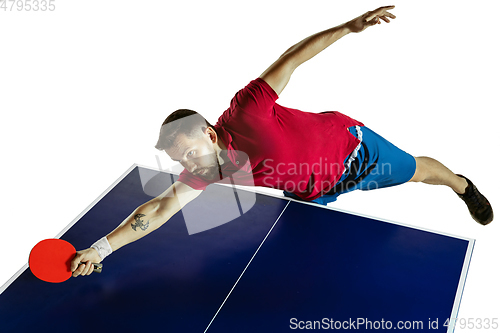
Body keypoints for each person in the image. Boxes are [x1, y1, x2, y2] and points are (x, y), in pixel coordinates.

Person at [71, 5, 493, 277]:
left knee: (416, 171)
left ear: (210, 133)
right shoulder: (205, 170)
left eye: (190, 154)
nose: (191, 167)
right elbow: (160, 208)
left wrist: (349, 27)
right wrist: (100, 249)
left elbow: (293, 57)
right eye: (182, 161)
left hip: (356, 154)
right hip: (312, 190)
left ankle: (463, 185)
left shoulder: (246, 110)